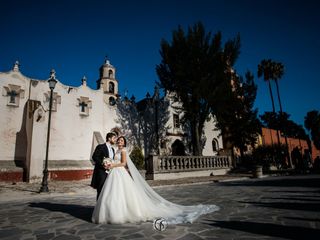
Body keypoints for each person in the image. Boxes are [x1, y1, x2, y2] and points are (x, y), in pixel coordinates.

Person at [92, 136, 219, 224]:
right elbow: (115, 160)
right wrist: (109, 164)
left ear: (124, 143)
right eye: (118, 140)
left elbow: (124, 163)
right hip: (114, 173)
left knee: (123, 194)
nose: (119, 141)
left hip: (119, 172)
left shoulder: (123, 150)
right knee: (114, 194)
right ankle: (111, 213)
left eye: (121, 140)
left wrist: (112, 165)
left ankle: (124, 213)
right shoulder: (115, 150)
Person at [90, 132, 117, 200]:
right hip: (101, 172)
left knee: (108, 190)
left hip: (110, 172)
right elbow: (94, 157)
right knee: (101, 189)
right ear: (109, 138)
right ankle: (98, 208)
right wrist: (103, 164)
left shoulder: (113, 149)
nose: (115, 140)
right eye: (114, 138)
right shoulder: (101, 147)